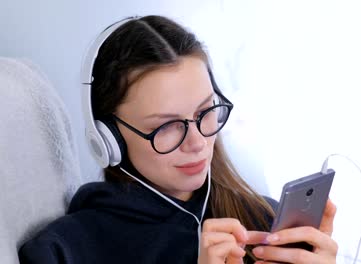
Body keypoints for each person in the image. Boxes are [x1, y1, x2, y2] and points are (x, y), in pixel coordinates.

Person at [18, 15, 338, 263]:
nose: (197, 143)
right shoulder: (64, 251)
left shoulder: (265, 221)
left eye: (205, 112)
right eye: (167, 126)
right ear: (108, 140)